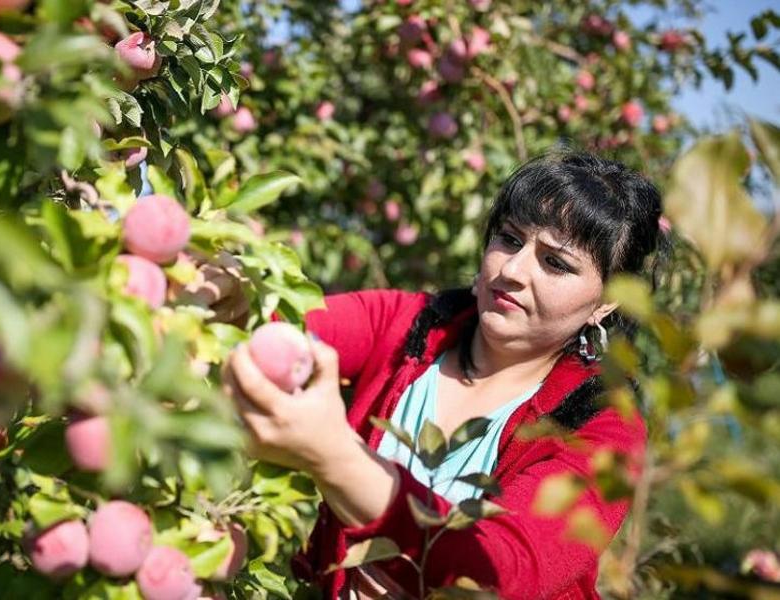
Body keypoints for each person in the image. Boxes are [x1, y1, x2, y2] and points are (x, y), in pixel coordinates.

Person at [218, 151, 668, 599]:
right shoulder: (410, 326)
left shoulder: (601, 427)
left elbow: (500, 572)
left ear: (605, 303)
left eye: (555, 263)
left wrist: (334, 456)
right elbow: (278, 325)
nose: (512, 270)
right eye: (510, 239)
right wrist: (234, 292)